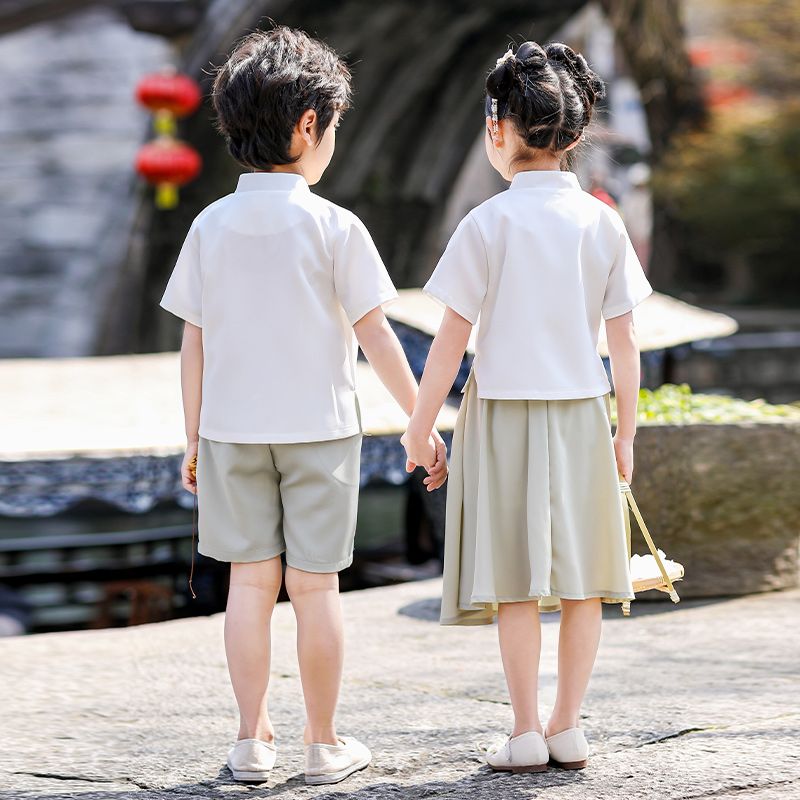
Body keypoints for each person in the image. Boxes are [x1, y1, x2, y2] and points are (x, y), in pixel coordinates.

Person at [160, 26, 446, 785]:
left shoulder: (208, 225)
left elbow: (195, 343)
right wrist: (422, 426)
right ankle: (324, 745)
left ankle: (251, 742)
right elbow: (377, 337)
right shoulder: (333, 226)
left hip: (229, 431)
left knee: (248, 586)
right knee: (315, 589)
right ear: (309, 124)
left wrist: (192, 437)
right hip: (320, 432)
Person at [402, 41, 651, 773]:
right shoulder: (601, 222)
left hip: (502, 416)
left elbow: (448, 343)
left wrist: (421, 430)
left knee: (515, 584)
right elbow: (626, 341)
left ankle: (522, 731)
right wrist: (627, 435)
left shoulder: (486, 222)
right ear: (576, 137)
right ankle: (567, 725)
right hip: (581, 414)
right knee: (581, 584)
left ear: (496, 131)